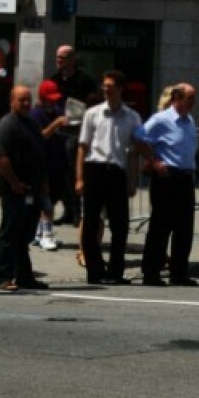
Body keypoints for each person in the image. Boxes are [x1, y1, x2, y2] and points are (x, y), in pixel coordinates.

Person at [76, 70, 142, 285]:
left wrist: (133, 180)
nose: (106, 90)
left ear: (120, 89)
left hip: (117, 172)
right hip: (94, 169)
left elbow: (134, 152)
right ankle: (94, 271)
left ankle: (116, 271)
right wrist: (79, 178)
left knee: (120, 225)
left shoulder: (132, 117)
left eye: (110, 86)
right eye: (104, 86)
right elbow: (82, 147)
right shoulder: (92, 114)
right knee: (91, 223)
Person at [137, 82, 198, 286]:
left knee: (184, 228)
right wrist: (154, 161)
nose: (193, 103)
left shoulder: (189, 120)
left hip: (185, 177)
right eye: (190, 98)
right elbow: (139, 137)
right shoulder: (161, 119)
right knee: (161, 226)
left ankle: (179, 272)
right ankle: (151, 272)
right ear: (177, 99)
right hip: (167, 177)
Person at [0, 85, 50, 292]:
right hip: (14, 189)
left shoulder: (32, 124)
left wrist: (43, 182)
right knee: (10, 233)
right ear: (12, 102)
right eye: (21, 100)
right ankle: (3, 276)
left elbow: (40, 153)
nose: (26, 104)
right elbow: (0, 157)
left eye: (28, 100)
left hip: (32, 189)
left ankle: (24, 276)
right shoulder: (7, 124)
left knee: (24, 235)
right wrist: (14, 182)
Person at [50, 45, 97, 227]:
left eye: (62, 57)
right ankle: (68, 210)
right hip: (60, 129)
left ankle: (78, 212)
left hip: (78, 130)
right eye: (57, 57)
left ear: (72, 60)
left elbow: (94, 102)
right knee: (61, 171)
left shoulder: (85, 80)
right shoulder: (55, 79)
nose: (58, 61)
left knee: (73, 170)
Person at [31, 79, 69, 251]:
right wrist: (55, 125)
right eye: (49, 98)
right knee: (45, 201)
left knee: (51, 200)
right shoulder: (36, 114)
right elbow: (41, 135)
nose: (53, 102)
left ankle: (38, 233)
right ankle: (46, 234)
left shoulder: (58, 111)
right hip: (42, 163)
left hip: (58, 162)